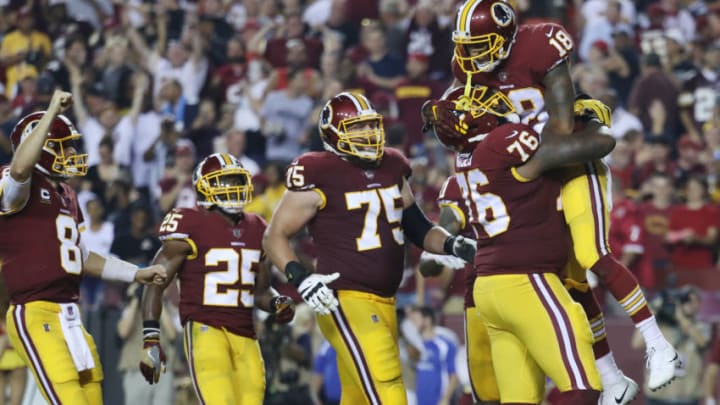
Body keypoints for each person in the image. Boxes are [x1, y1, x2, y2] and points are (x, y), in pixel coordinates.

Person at [429, 0, 678, 397]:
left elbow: (563, 127)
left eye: (479, 45)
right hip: (532, 172)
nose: (470, 56)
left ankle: (657, 344)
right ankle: (613, 377)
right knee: (567, 277)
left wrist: (583, 124)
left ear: (505, 37)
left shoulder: (539, 45)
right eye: (466, 46)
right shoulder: (471, 86)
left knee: (591, 254)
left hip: (569, 157)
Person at [263, 91, 476, 405]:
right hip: (344, 299)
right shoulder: (318, 171)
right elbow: (274, 235)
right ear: (333, 133)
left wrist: (451, 244)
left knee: (358, 395)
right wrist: (301, 278)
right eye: (357, 128)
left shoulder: (392, 165)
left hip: (385, 300)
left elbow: (417, 227)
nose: (368, 134)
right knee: (386, 380)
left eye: (370, 126)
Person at [431, 84, 616, 403]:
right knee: (583, 387)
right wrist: (591, 118)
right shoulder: (502, 145)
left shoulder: (464, 163)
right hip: (528, 281)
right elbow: (600, 144)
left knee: (519, 399)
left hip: (488, 289)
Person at [0, 90, 167, 405]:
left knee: (93, 399)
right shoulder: (17, 183)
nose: (72, 153)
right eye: (63, 147)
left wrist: (136, 273)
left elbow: (80, 256)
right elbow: (21, 170)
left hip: (70, 313)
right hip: (35, 310)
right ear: (41, 147)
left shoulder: (66, 194)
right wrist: (49, 110)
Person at [138, 152, 296, 405]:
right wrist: (151, 338)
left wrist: (277, 304)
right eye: (226, 182)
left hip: (246, 333)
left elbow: (261, 291)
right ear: (205, 187)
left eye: (237, 182)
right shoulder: (190, 221)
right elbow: (156, 281)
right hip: (205, 327)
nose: (234, 188)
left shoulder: (258, 227)